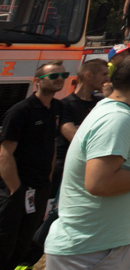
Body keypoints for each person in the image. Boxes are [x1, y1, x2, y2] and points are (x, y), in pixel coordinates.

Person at [44, 51, 130, 270]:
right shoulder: (117, 118)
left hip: (98, 246)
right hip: (90, 250)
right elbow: (99, 182)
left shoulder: (116, 112)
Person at [1, 60, 67, 270]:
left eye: (63, 76)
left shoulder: (57, 108)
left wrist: (47, 180)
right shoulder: (21, 111)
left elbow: (53, 144)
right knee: (5, 241)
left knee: (26, 241)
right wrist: (15, 190)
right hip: (17, 189)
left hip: (40, 188)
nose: (60, 79)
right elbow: (4, 154)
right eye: (54, 76)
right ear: (37, 81)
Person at [56, 58, 109, 193]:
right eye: (103, 74)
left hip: (92, 168)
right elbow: (74, 137)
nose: (107, 78)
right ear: (88, 75)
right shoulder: (65, 105)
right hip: (68, 168)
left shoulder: (101, 102)